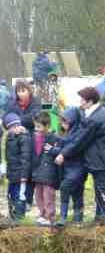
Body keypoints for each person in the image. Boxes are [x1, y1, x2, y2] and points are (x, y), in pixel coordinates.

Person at [55, 87, 105, 223]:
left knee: (101, 193)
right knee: (99, 193)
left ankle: (101, 222)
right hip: (97, 159)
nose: (80, 102)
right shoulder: (96, 113)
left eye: (82, 100)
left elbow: (80, 141)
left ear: (90, 101)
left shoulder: (95, 118)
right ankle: (99, 220)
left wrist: (63, 154)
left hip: (99, 160)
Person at [48, 108, 86, 225]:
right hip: (68, 168)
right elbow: (65, 145)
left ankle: (63, 218)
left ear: (72, 121)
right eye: (62, 121)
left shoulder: (79, 133)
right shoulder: (68, 133)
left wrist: (54, 150)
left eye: (65, 121)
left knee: (65, 187)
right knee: (77, 193)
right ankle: (77, 219)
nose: (62, 124)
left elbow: (72, 149)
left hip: (78, 167)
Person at [31, 111, 60, 226]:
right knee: (38, 195)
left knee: (48, 195)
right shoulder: (34, 137)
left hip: (49, 171)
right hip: (37, 171)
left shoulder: (53, 137)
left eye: (39, 126)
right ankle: (42, 214)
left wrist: (54, 149)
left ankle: (50, 216)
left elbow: (61, 151)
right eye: (35, 126)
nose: (36, 128)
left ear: (47, 126)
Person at [3, 113, 32, 221]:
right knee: (10, 194)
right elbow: (8, 157)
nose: (14, 129)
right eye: (10, 128)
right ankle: (12, 215)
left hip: (21, 174)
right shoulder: (9, 137)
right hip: (12, 173)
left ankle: (19, 217)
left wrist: (24, 175)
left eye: (15, 126)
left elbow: (26, 158)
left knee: (20, 195)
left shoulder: (24, 138)